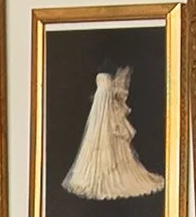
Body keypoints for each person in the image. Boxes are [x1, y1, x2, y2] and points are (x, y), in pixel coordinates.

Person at [63, 65, 165, 201]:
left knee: (109, 134)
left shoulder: (112, 71)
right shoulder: (101, 72)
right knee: (96, 135)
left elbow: (118, 84)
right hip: (99, 103)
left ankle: (109, 171)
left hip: (106, 101)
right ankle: (96, 172)